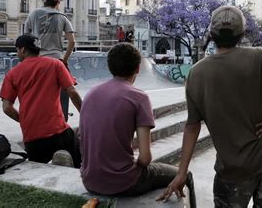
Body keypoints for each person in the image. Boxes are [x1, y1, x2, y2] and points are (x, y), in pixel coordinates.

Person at [157, 6, 262, 206]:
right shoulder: (261, 56)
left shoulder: (197, 73)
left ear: (211, 34)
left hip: (233, 169)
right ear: (242, 33)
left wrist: (181, 173)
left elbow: (192, 126)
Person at [79, 43, 193, 199]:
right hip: (123, 183)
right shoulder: (139, 98)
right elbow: (145, 159)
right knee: (185, 175)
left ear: (110, 67)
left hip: (90, 180)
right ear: (138, 69)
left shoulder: (90, 94)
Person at [0, 35, 82, 167]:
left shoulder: (12, 74)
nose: (17, 53)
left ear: (23, 50)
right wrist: (85, 116)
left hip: (33, 137)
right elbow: (72, 92)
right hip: (59, 132)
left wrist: (25, 120)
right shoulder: (55, 64)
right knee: (78, 164)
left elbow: (7, 107)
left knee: (38, 173)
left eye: (17, 50)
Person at [24, 0, 76, 122]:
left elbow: (26, 37)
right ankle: (62, 120)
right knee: (63, 91)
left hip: (38, 59)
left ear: (44, 1)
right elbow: (72, 41)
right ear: (58, 3)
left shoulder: (34, 14)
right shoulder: (63, 17)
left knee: (38, 92)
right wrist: (64, 59)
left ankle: (39, 119)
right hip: (56, 59)